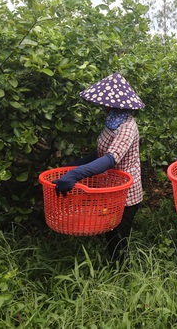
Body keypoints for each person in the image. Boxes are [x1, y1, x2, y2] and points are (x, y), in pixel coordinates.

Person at [52, 72, 145, 264]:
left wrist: (76, 174)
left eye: (105, 103)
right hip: (110, 187)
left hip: (126, 192)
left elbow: (111, 158)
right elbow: (101, 152)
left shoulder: (127, 127)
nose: (102, 106)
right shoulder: (112, 121)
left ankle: (120, 273)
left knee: (118, 236)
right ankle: (114, 265)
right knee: (109, 230)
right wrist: (72, 167)